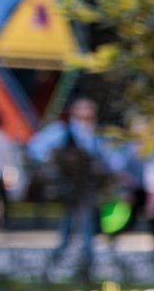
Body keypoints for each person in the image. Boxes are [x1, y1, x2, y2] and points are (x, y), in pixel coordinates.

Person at [26, 98, 110, 272]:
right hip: (70, 186)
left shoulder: (96, 135)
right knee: (74, 225)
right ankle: (69, 263)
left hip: (87, 187)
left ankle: (82, 264)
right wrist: (53, 168)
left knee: (82, 224)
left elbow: (107, 160)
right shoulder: (63, 131)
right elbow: (36, 148)